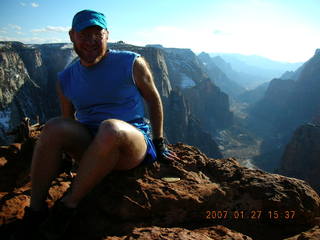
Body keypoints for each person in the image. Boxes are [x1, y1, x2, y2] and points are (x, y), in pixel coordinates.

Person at [13, 9, 177, 239]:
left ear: (107, 35)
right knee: (52, 127)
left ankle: (67, 207)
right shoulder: (66, 78)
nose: (90, 41)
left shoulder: (131, 62)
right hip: (91, 145)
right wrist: (63, 158)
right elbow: (67, 121)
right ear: (72, 36)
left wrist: (159, 141)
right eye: (83, 34)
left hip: (129, 143)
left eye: (97, 35)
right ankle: (36, 210)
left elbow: (153, 98)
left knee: (110, 128)